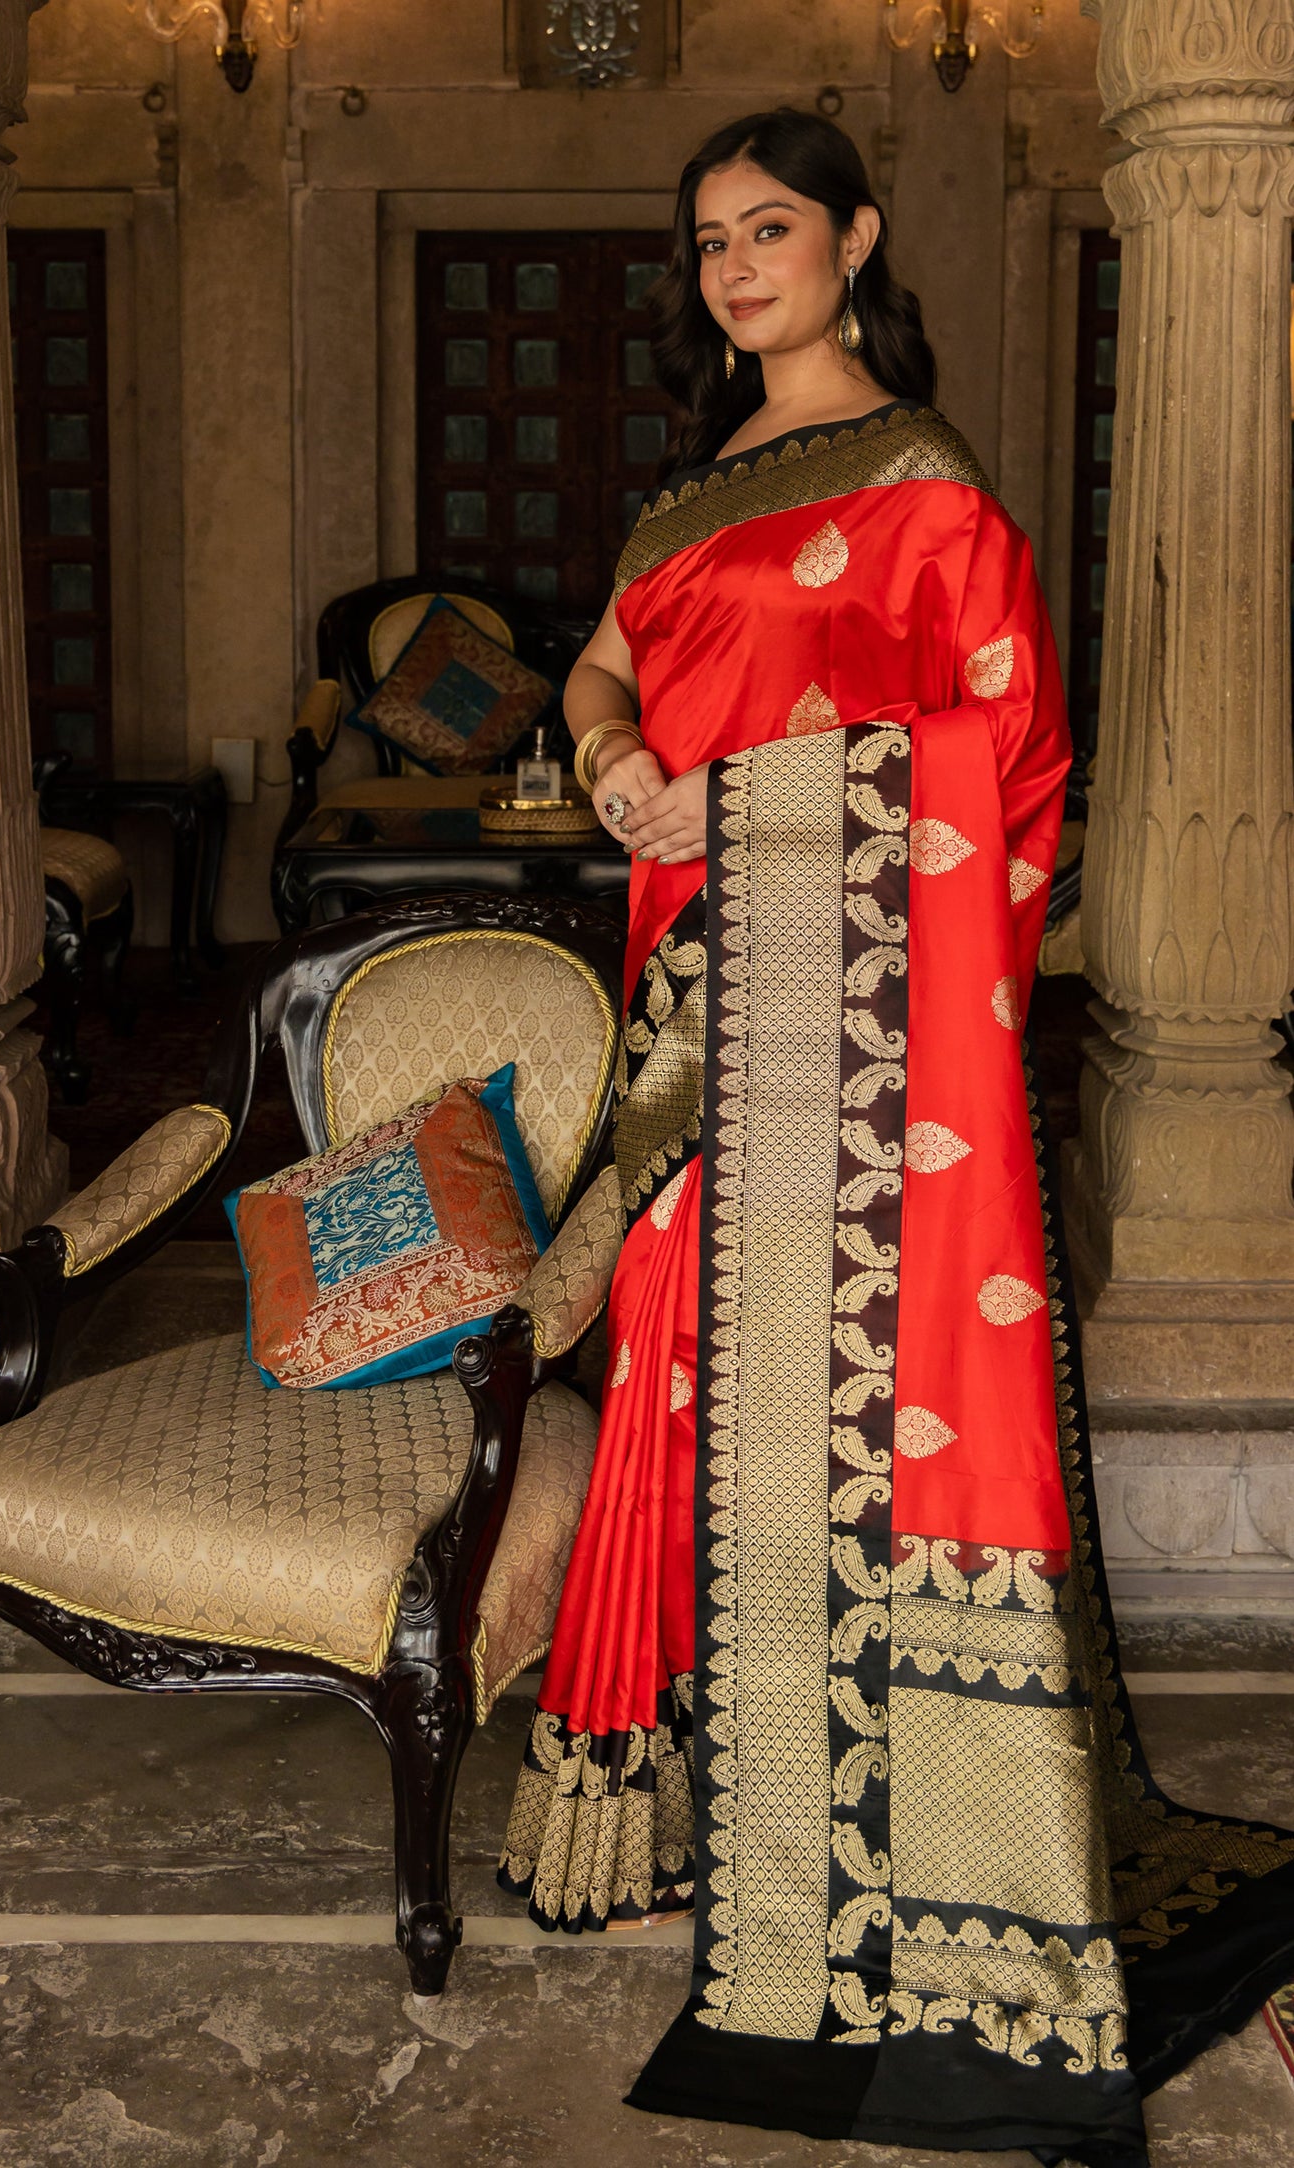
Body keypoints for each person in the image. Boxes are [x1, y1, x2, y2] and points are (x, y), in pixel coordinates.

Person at [497, 106, 1294, 2166]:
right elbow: (595, 671)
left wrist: (733, 800)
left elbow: (1004, 748)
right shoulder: (686, 499)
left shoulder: (924, 482)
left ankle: (880, 1820)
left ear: (854, 241)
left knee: (845, 1392)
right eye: (708, 240)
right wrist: (611, 754)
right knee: (676, 1364)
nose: (735, 266)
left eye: (770, 228)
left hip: (858, 1044)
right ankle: (680, 1794)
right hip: (692, 1005)